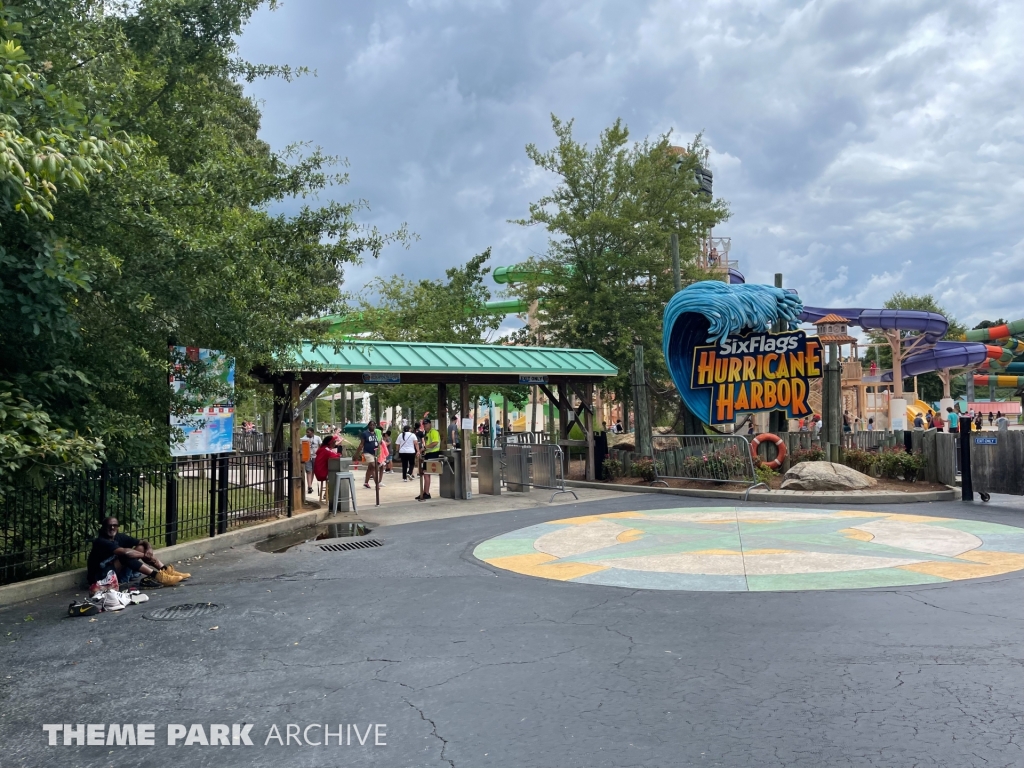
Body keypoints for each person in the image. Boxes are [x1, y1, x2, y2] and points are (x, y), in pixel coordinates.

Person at [87, 517, 187, 588]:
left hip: (116, 572)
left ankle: (166, 570)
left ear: (118, 527)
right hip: (100, 577)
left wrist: (149, 549)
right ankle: (159, 577)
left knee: (141, 548)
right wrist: (145, 556)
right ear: (103, 527)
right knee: (126, 556)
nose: (112, 528)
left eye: (115, 525)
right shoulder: (101, 541)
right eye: (109, 526)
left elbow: (143, 542)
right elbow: (125, 553)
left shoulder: (119, 536)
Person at [417, 418, 441, 501]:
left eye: (426, 424)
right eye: (424, 425)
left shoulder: (434, 432)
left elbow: (435, 442)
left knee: (426, 473)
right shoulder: (427, 433)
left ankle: (426, 493)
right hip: (428, 454)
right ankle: (425, 492)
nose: (425, 426)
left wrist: (425, 447)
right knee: (425, 473)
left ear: (430, 424)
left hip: (433, 454)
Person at [358, 420, 380, 489]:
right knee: (374, 467)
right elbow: (361, 444)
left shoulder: (376, 433)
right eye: (371, 425)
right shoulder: (365, 433)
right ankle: (377, 484)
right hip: (367, 452)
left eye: (373, 425)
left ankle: (366, 482)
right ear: (368, 426)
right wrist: (357, 453)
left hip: (374, 453)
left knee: (370, 468)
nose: (372, 426)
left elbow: (378, 442)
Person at [300, 427, 321, 495]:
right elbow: (301, 447)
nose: (307, 433)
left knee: (313, 471)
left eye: (308, 432)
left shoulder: (317, 438)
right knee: (309, 471)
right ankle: (309, 486)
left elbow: (320, 446)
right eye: (306, 432)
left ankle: (310, 485)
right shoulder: (304, 438)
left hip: (315, 456)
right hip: (307, 456)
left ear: (312, 432)